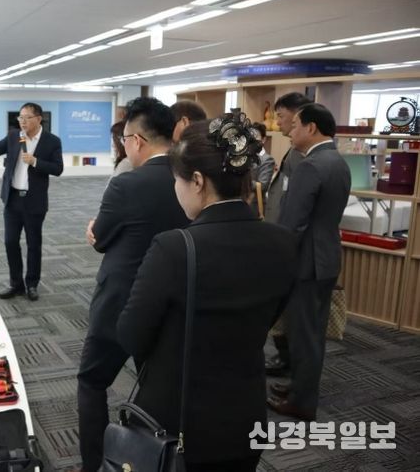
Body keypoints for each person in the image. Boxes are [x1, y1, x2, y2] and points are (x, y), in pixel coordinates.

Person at [117, 116, 298, 471]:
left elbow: (130, 335)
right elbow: (271, 315)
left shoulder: (174, 247)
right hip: (245, 412)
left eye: (178, 180)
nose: (176, 189)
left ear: (198, 181)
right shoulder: (285, 242)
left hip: (178, 416)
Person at [79, 97, 189, 472]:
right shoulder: (191, 179)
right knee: (156, 387)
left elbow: (101, 239)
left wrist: (93, 230)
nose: (124, 145)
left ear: (137, 140)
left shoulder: (126, 183)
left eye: (125, 139)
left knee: (92, 381)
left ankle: (95, 465)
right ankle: (155, 462)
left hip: (120, 301)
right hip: (170, 304)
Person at [267, 103, 351, 421]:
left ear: (311, 128)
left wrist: (277, 260)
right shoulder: (338, 161)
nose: (290, 131)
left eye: (295, 126)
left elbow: (293, 223)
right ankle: (300, 388)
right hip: (326, 256)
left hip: (306, 262)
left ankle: (302, 402)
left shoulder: (310, 165)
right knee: (311, 331)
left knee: (304, 335)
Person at [0, 103, 63, 301]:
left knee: (34, 245)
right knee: (10, 242)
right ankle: (16, 284)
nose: (23, 121)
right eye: (20, 117)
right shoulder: (15, 136)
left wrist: (35, 161)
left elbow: (58, 168)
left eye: (27, 118)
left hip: (34, 201)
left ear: (39, 119)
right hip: (13, 199)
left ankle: (31, 284)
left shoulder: (52, 141)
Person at [264, 91, 312, 376]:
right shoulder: (295, 151)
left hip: (290, 244)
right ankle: (285, 359)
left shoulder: (303, 156)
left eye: (281, 117)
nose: (279, 123)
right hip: (281, 237)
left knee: (291, 310)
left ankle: (289, 363)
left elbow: (295, 205)